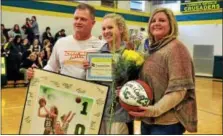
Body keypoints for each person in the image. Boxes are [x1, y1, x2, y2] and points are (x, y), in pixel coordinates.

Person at [128, 8, 197, 135]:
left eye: (162, 20)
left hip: (167, 123)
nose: (156, 23)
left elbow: (179, 91)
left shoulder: (176, 48)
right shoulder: (152, 50)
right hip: (148, 119)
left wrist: (154, 110)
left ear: (171, 25)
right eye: (153, 20)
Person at [27, 3, 103, 80]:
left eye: (83, 19)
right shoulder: (61, 43)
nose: (78, 22)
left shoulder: (101, 46)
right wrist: (36, 74)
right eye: (76, 18)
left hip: (90, 90)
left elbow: (107, 73)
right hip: (65, 90)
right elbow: (51, 67)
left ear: (93, 23)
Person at [94, 13, 133, 135]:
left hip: (120, 116)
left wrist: (127, 89)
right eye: (104, 28)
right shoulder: (97, 55)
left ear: (120, 29)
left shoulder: (131, 54)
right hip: (98, 115)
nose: (106, 31)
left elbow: (139, 84)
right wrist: (88, 70)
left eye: (110, 27)